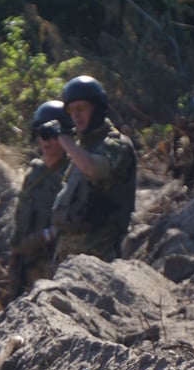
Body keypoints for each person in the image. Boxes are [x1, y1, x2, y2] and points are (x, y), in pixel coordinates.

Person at [50, 75, 137, 263]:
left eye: (81, 108)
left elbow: (91, 167)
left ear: (96, 109)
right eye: (71, 110)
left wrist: (64, 140)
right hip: (68, 256)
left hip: (101, 257)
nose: (76, 115)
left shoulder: (116, 144)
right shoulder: (82, 149)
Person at [9, 100, 72, 295]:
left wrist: (46, 236)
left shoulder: (72, 175)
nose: (46, 141)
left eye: (52, 135)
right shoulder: (34, 173)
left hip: (51, 265)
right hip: (24, 263)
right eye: (42, 134)